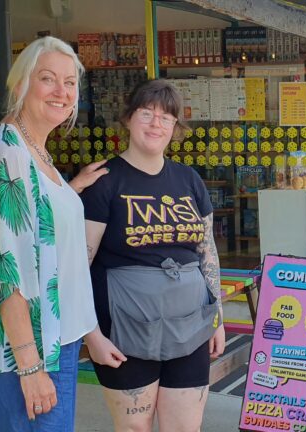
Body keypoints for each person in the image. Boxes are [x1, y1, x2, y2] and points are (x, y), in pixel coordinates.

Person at [0, 36, 125, 431]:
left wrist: (90, 334)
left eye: (70, 82)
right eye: (48, 79)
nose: (62, 92)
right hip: (22, 352)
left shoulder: (35, 151)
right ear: (21, 86)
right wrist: (30, 367)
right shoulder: (6, 155)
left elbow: (47, 245)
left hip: (56, 342)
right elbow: (8, 272)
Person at [81, 79, 226, 432]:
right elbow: (78, 265)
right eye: (147, 114)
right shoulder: (104, 181)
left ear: (175, 127)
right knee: (136, 428)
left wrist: (217, 314)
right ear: (129, 118)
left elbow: (207, 252)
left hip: (191, 326)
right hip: (124, 331)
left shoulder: (189, 179)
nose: (156, 124)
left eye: (166, 117)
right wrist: (92, 336)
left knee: (184, 427)